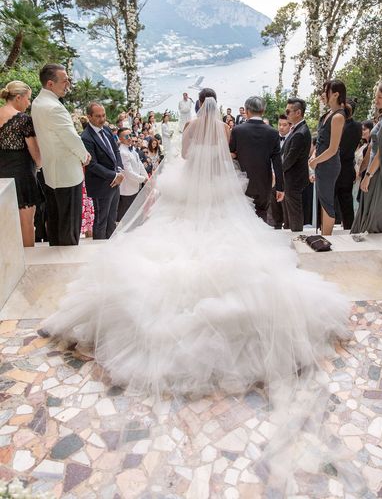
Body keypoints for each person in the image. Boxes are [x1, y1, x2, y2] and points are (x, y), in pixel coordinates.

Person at [44, 89, 348, 412]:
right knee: (227, 229)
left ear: (199, 104)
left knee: (175, 229)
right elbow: (227, 155)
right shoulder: (224, 128)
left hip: (191, 185)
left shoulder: (190, 127)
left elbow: (186, 156)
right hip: (219, 186)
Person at [31, 64, 90, 246]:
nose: (68, 85)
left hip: (51, 172)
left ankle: (56, 259)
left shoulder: (37, 102)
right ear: (50, 83)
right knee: (69, 225)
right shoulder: (54, 107)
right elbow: (70, 138)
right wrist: (85, 156)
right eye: (64, 81)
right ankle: (68, 262)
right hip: (67, 174)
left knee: (56, 222)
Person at [351, 82, 382, 234]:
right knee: (369, 208)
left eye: (380, 97)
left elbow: (380, 154)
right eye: (376, 97)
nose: (376, 100)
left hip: (377, 172)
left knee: (373, 210)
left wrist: (367, 176)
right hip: (376, 170)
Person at [229, 96, 284, 222]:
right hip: (264, 183)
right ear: (263, 111)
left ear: (247, 111)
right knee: (262, 215)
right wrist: (280, 187)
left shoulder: (237, 130)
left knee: (243, 218)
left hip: (242, 182)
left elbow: (231, 153)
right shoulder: (273, 133)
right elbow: (277, 162)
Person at [0, 81, 41, 246]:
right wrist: (39, 165)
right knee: (27, 225)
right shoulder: (23, 120)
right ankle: (29, 264)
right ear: (18, 97)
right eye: (28, 99)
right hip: (22, 177)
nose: (29, 103)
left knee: (5, 225)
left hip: (1, 178)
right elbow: (36, 153)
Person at [81, 102, 124, 239]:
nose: (102, 118)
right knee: (101, 221)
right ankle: (98, 250)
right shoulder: (86, 137)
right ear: (89, 116)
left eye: (103, 115)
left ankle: (111, 249)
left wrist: (119, 170)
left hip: (115, 182)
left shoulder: (106, 130)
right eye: (98, 116)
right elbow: (92, 165)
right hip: (100, 185)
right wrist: (114, 175)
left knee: (112, 220)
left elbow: (115, 151)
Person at [309, 80, 346, 236]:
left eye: (326, 91)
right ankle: (324, 235)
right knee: (323, 201)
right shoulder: (328, 114)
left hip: (329, 165)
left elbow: (332, 148)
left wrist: (316, 161)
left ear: (336, 94)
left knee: (327, 203)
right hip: (321, 163)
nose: (323, 94)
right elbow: (321, 141)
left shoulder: (338, 117)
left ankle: (327, 238)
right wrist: (313, 155)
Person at [281, 97, 312, 231]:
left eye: (288, 111)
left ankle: (296, 237)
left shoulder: (301, 132)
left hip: (294, 179)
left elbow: (290, 159)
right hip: (293, 178)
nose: (286, 114)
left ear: (298, 112)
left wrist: (277, 171)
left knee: (295, 213)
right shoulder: (298, 129)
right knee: (291, 212)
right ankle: (293, 235)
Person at [334, 98, 362, 230]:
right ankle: (348, 228)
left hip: (338, 167)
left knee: (334, 201)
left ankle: (335, 227)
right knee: (346, 202)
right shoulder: (357, 126)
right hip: (347, 168)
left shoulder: (342, 125)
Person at [116, 127, 148, 222]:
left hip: (135, 186)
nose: (130, 137)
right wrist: (143, 179)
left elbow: (140, 165)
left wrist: (146, 176)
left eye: (131, 135)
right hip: (127, 189)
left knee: (136, 215)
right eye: (126, 136)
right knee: (127, 217)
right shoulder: (122, 152)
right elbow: (129, 173)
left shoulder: (132, 149)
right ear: (120, 139)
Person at [270, 113, 291, 229]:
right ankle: (276, 227)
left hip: (287, 177)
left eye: (284, 125)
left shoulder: (293, 137)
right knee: (274, 207)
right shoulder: (272, 137)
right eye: (279, 124)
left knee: (286, 208)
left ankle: (288, 228)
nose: (281, 127)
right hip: (273, 176)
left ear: (290, 126)